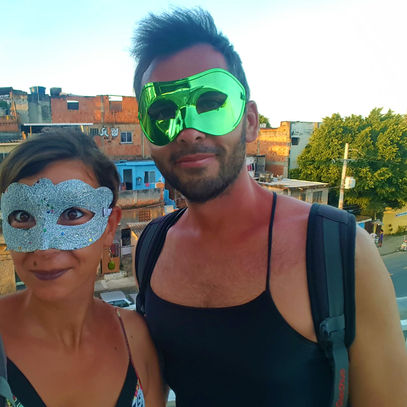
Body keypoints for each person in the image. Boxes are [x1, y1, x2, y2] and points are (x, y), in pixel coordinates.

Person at [131, 7, 407, 407]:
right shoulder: (150, 248)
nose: (188, 131)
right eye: (162, 113)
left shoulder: (341, 250)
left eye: (211, 103)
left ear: (250, 121)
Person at [0, 129, 165, 407]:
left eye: (72, 214)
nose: (44, 247)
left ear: (109, 226)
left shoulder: (136, 339)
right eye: (22, 215)